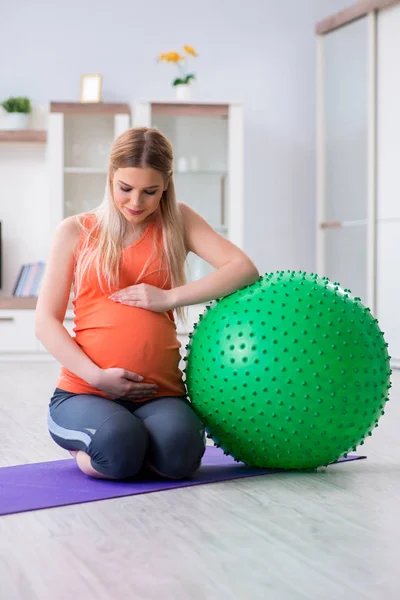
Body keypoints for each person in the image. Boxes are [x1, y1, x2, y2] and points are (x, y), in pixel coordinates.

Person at [35, 127, 259, 481]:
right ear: (110, 177)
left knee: (182, 457)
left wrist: (169, 297)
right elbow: (45, 321)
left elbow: (243, 268)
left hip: (160, 394)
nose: (136, 202)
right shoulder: (76, 231)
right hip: (86, 391)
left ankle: (135, 439)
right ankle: (100, 443)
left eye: (149, 192)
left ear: (166, 184)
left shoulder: (178, 221)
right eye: (125, 189)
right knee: (119, 449)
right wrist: (97, 376)